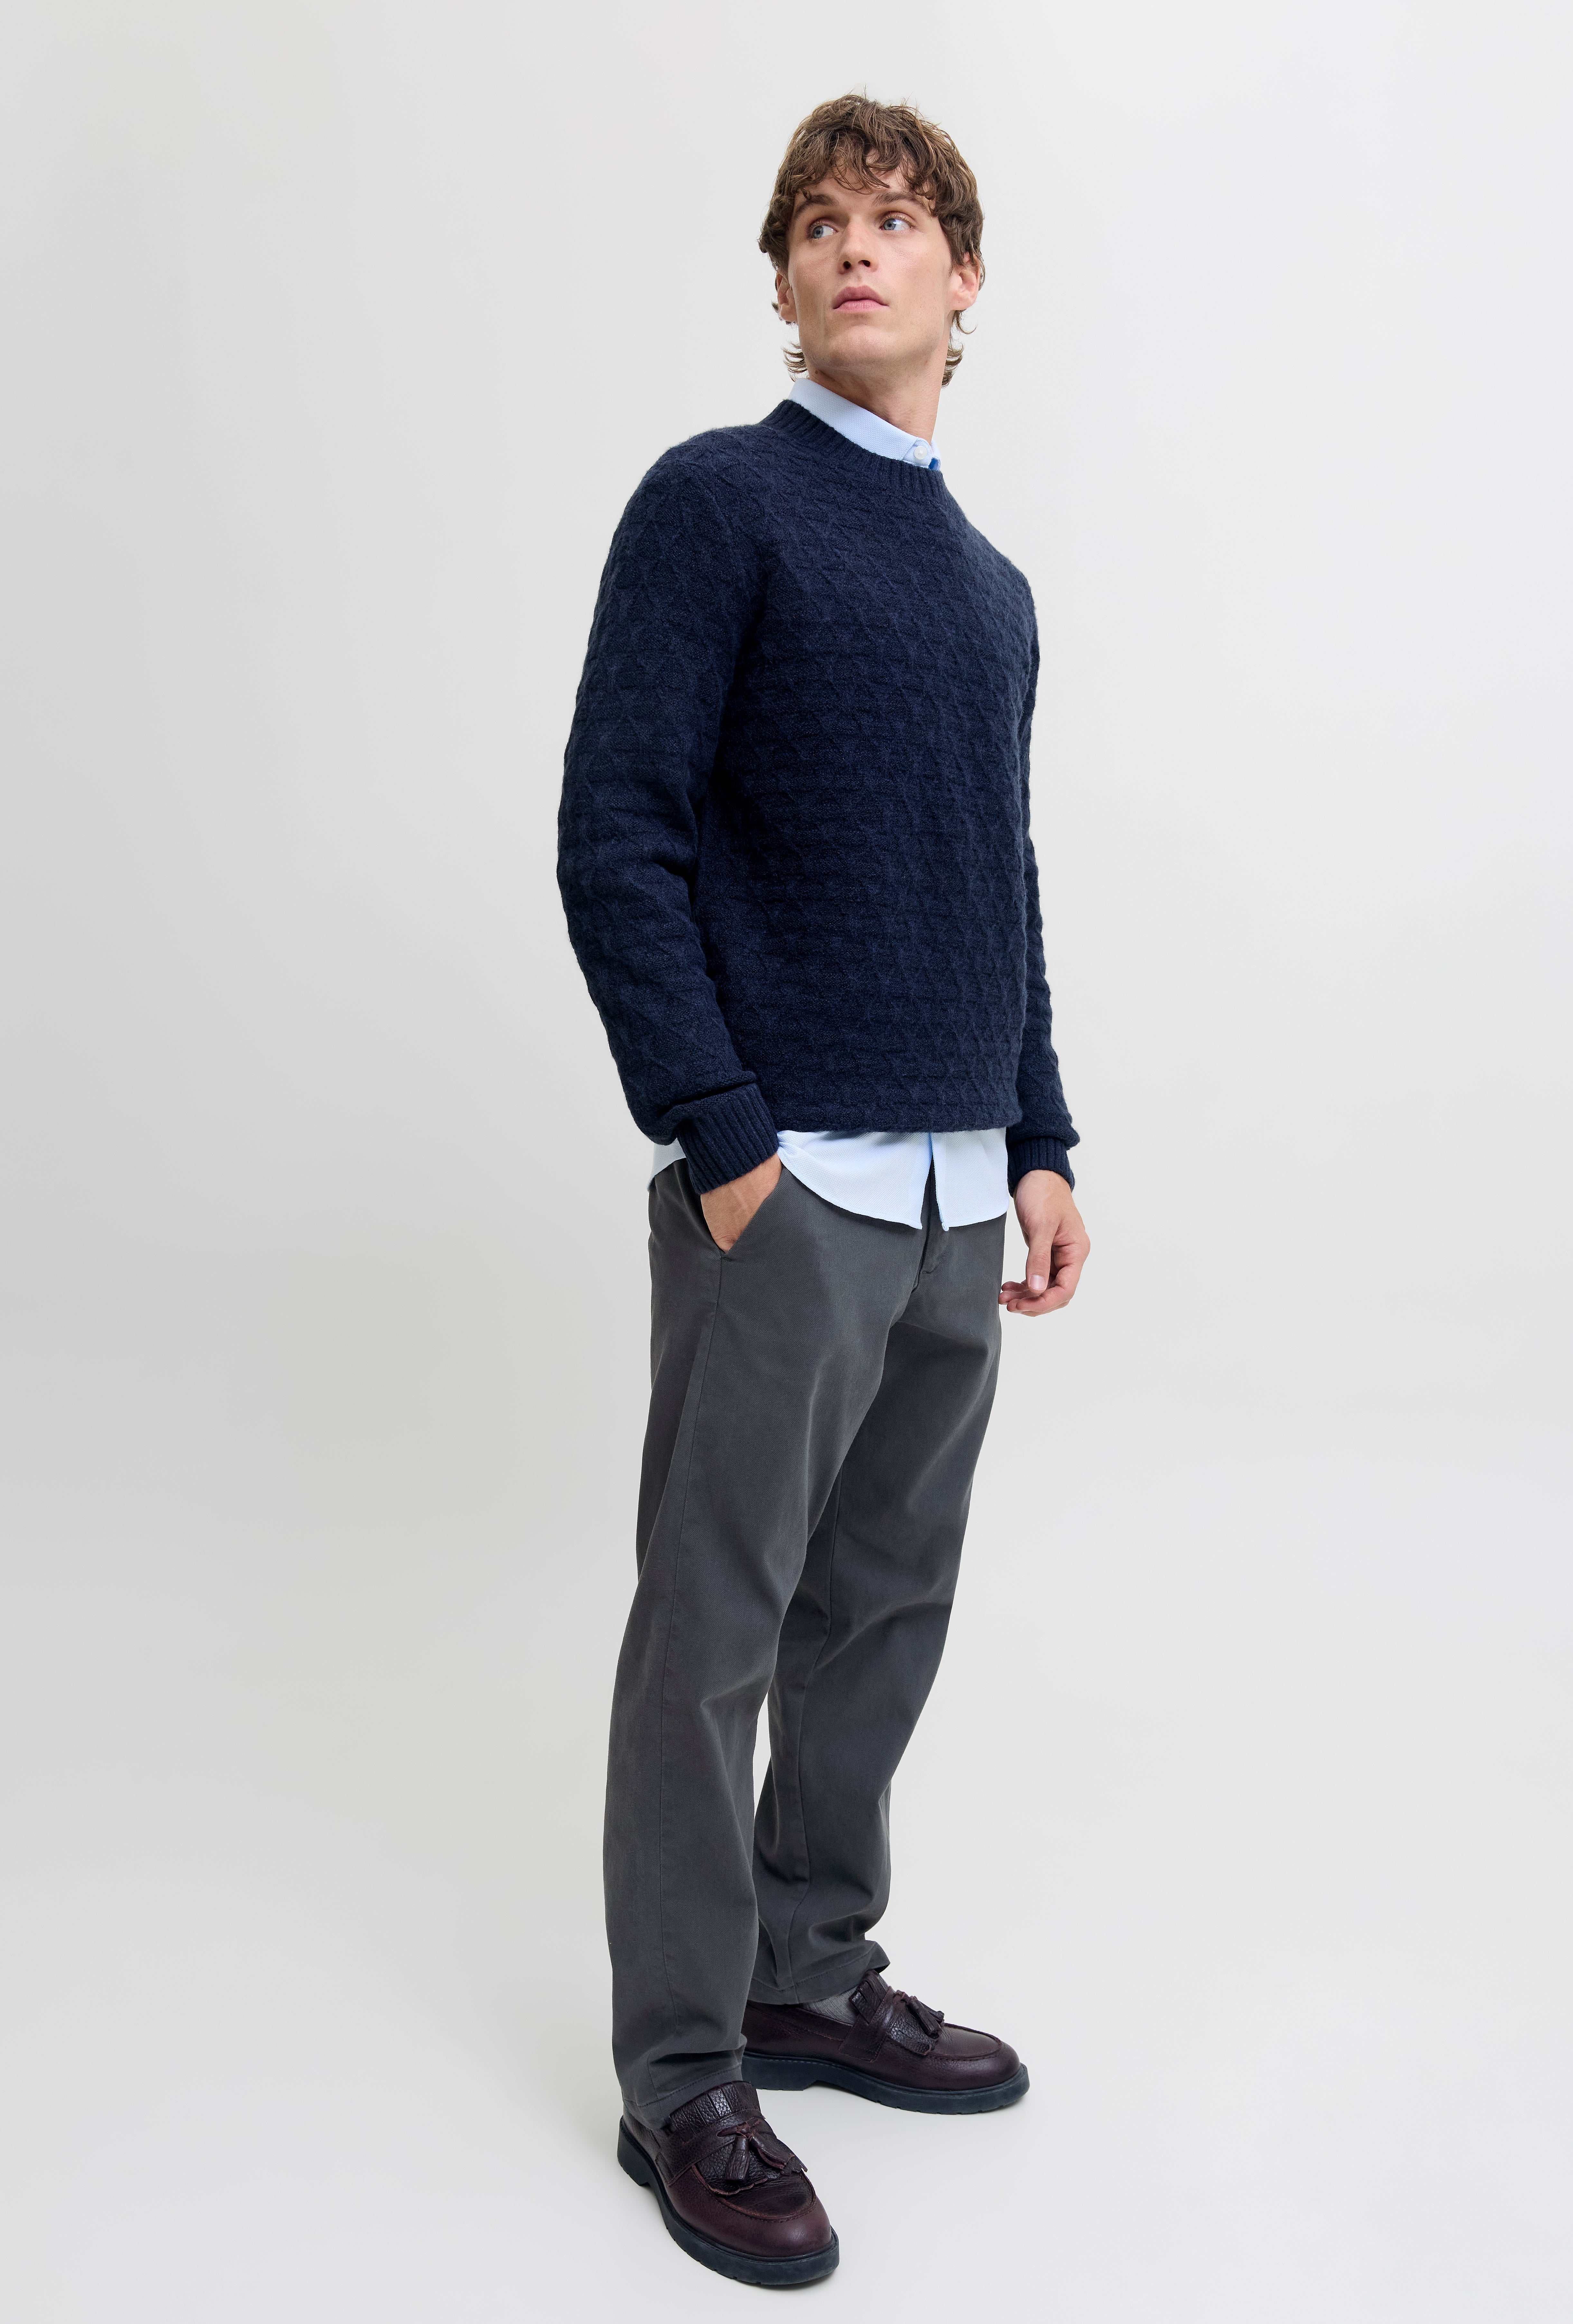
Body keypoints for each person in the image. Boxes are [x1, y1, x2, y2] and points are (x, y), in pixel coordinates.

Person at [557, 93, 1088, 2289]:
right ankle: (684, 2065)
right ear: (785, 282)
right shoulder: (719, 505)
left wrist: (1042, 1136)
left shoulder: (993, 591)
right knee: (713, 1631)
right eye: (817, 225)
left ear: (966, 278)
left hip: (957, 1192)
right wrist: (722, 1135)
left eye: (897, 218)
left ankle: (807, 1965)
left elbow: (999, 879)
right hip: (787, 1188)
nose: (855, 248)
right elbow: (619, 829)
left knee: (880, 1608)